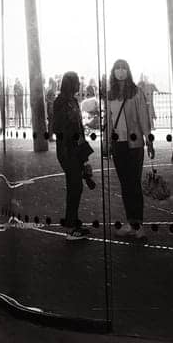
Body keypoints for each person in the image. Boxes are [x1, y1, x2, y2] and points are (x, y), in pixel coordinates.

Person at [106, 59, 154, 239]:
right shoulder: (110, 95)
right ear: (113, 72)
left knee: (134, 184)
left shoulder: (136, 93)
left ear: (128, 71)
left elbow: (144, 118)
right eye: (117, 68)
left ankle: (138, 225)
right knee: (126, 185)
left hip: (134, 145)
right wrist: (107, 144)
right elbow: (109, 122)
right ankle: (131, 222)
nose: (120, 71)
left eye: (123, 68)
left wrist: (149, 141)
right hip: (118, 145)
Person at [52, 72, 95, 239]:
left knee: (75, 187)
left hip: (74, 149)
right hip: (68, 150)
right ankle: (71, 227)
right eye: (77, 82)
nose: (79, 85)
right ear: (71, 84)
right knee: (75, 187)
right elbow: (60, 128)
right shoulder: (61, 102)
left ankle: (73, 222)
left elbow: (78, 128)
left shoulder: (72, 101)